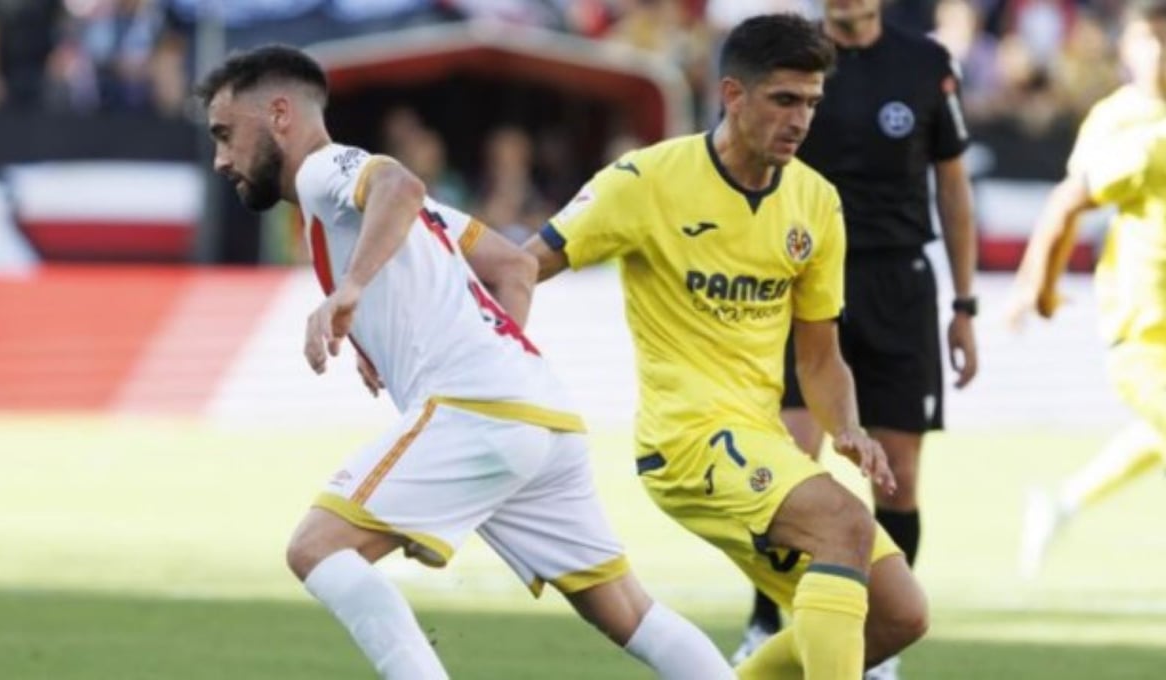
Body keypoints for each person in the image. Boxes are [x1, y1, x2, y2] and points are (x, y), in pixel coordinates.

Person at [196, 45, 735, 680]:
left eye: (226, 134)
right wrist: (425, 339)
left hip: (475, 407)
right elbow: (514, 267)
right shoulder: (410, 216)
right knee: (630, 613)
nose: (221, 159)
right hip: (540, 413)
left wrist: (354, 289)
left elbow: (399, 184)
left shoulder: (322, 169)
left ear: (281, 114)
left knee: (318, 548)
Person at [523, 14, 928, 680]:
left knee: (899, 616)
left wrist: (847, 428)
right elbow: (521, 266)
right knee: (846, 526)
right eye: (784, 100)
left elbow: (819, 357)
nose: (801, 120)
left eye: (812, 103)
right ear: (733, 95)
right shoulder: (644, 181)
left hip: (758, 437)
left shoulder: (816, 202)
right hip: (686, 441)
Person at [729, 2, 980, 676]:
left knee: (898, 479)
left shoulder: (926, 64)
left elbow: (953, 189)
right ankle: (763, 619)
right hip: (799, 277)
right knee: (784, 465)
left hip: (896, 284)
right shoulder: (787, 61)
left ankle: (878, 641)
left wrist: (964, 305)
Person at [1009, 0, 1166, 580]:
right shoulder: (1127, 128)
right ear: (1127, 48)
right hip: (1144, 324)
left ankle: (1062, 504)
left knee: (1153, 437)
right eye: (1149, 40)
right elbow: (1068, 201)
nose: (1159, 53)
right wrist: (1036, 285)